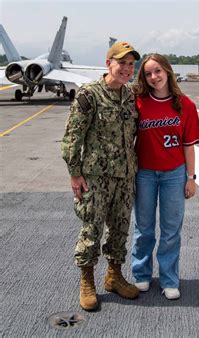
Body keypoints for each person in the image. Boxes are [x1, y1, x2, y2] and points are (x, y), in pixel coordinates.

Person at [61, 41, 141, 311]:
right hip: (95, 177)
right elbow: (73, 136)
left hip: (125, 176)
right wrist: (74, 173)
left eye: (131, 64)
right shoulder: (90, 94)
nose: (127, 69)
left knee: (120, 229)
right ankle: (87, 281)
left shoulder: (130, 95)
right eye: (122, 63)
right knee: (92, 229)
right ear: (109, 64)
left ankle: (114, 276)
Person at [131, 54, 199, 300]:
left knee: (171, 230)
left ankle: (169, 279)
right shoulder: (138, 103)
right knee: (144, 228)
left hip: (174, 175)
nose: (154, 77)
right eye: (148, 73)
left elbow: (188, 145)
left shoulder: (186, 105)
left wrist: (191, 177)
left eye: (158, 71)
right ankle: (141, 274)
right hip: (144, 174)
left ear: (168, 72)